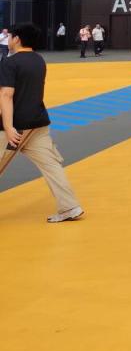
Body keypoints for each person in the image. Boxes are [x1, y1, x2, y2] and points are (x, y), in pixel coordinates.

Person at [0, 23, 84, 223]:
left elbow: (6, 95)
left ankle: (69, 207)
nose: (8, 40)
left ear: (17, 39)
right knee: (52, 166)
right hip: (38, 124)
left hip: (16, 127)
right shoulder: (39, 60)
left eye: (10, 36)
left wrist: (9, 127)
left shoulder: (9, 63)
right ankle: (69, 207)